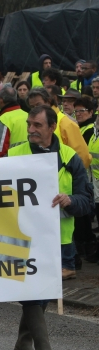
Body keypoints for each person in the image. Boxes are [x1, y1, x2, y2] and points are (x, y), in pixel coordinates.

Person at [8, 105, 93, 350]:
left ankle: (23, 342)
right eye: (29, 124)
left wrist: (70, 201)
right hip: (22, 236)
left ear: (52, 128)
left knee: (41, 294)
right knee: (34, 292)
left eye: (37, 126)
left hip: (58, 240)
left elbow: (86, 200)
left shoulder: (70, 157)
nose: (31, 130)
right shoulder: (14, 154)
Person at [27, 87, 91, 169]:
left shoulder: (66, 123)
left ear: (49, 101)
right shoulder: (31, 123)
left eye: (38, 105)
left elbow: (83, 157)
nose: (35, 109)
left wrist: (73, 176)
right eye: (32, 107)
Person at [72, 97, 99, 264]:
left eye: (82, 111)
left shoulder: (88, 130)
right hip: (93, 182)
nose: (78, 114)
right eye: (77, 111)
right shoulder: (90, 131)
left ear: (90, 112)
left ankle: (89, 245)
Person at [0, 86, 30, 158]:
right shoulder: (28, 115)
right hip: (29, 161)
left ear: (1, 100)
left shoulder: (3, 120)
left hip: (11, 164)